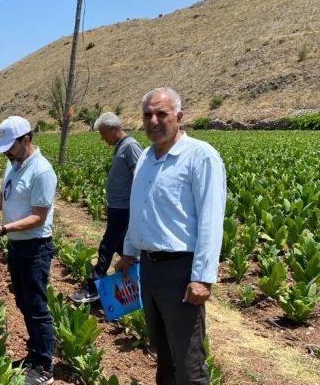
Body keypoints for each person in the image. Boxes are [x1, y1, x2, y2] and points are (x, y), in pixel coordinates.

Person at [115, 87, 226, 385]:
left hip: (181, 271)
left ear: (178, 116)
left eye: (161, 114)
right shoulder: (145, 158)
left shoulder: (200, 156)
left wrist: (203, 277)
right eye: (147, 114)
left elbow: (211, 220)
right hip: (149, 269)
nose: (153, 121)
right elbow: (139, 209)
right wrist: (128, 252)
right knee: (162, 354)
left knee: (188, 361)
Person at [0, 115, 57, 385]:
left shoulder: (42, 171)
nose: (7, 153)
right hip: (17, 245)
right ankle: (33, 356)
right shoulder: (14, 165)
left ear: (27, 139)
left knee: (36, 306)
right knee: (23, 302)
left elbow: (39, 217)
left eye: (11, 146)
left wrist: (5, 228)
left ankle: (44, 367)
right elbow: (5, 195)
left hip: (35, 247)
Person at [70, 112, 142, 304]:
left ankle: (93, 287)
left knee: (107, 246)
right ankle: (142, 280)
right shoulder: (120, 147)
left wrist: (135, 208)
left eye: (103, 133)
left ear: (115, 129)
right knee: (121, 246)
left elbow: (140, 179)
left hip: (124, 209)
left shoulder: (131, 146)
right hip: (117, 207)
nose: (102, 139)